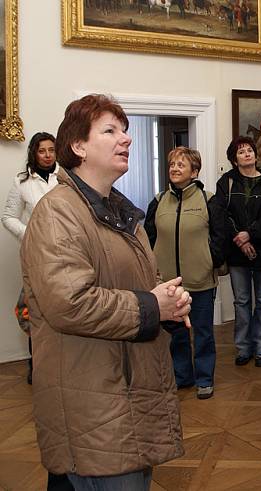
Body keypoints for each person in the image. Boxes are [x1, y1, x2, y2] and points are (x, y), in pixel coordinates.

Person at [20, 93, 190, 490]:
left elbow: (131, 279)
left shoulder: (116, 209)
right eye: (110, 131)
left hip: (123, 389)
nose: (126, 139)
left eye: (126, 131)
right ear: (78, 146)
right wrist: (153, 305)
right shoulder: (58, 211)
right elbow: (70, 303)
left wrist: (167, 298)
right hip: (95, 401)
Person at [3, 132, 73, 491]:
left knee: (60, 308)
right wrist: (29, 232)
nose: (47, 155)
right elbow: (7, 216)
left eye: (51, 150)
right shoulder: (21, 183)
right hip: (35, 255)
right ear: (33, 154)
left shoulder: (65, 180)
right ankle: (37, 364)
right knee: (33, 310)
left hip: (65, 256)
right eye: (41, 151)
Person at [145, 147, 227, 400]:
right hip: (168, 284)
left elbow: (220, 237)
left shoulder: (208, 199)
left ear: (195, 171)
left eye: (182, 165)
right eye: (172, 164)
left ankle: (204, 379)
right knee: (176, 333)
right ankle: (183, 376)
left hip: (201, 281)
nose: (175, 168)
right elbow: (148, 237)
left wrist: (208, 261)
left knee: (202, 332)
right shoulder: (158, 201)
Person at [216, 136, 261, 367]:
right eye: (241, 152)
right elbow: (221, 214)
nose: (247, 154)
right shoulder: (227, 182)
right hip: (236, 252)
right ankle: (243, 348)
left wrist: (250, 234)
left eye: (250, 150)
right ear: (234, 159)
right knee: (241, 301)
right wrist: (241, 240)